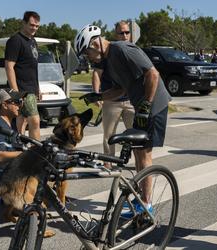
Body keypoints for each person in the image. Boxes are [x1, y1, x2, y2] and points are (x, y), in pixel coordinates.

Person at [75, 24, 172, 216]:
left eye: (87, 53)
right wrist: (99, 96)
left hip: (154, 105)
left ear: (95, 44)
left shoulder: (122, 49)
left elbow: (152, 74)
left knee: (144, 154)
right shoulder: (109, 60)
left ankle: (146, 205)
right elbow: (121, 89)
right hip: (142, 106)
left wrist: (146, 105)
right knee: (137, 152)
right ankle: (143, 196)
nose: (88, 58)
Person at [91, 20, 134, 168]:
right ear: (116, 34)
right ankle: (108, 164)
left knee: (134, 134)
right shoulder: (106, 52)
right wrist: (97, 94)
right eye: (121, 33)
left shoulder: (132, 50)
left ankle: (138, 163)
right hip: (111, 100)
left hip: (130, 101)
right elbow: (97, 73)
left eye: (127, 32)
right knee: (109, 136)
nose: (124, 35)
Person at [5, 11, 41, 140]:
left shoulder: (33, 41)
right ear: (24, 23)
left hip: (32, 88)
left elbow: (33, 67)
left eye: (37, 26)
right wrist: (16, 93)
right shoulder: (15, 41)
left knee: (22, 119)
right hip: (22, 89)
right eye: (31, 25)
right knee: (35, 121)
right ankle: (37, 154)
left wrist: (38, 89)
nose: (34, 28)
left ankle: (20, 148)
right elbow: (9, 66)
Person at [0, 89, 25, 188]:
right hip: (0, 180)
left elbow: (16, 146)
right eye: (16, 102)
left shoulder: (11, 124)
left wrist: (23, 124)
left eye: (21, 102)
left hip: (11, 174)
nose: (19, 106)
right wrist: (25, 154)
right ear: (5, 105)